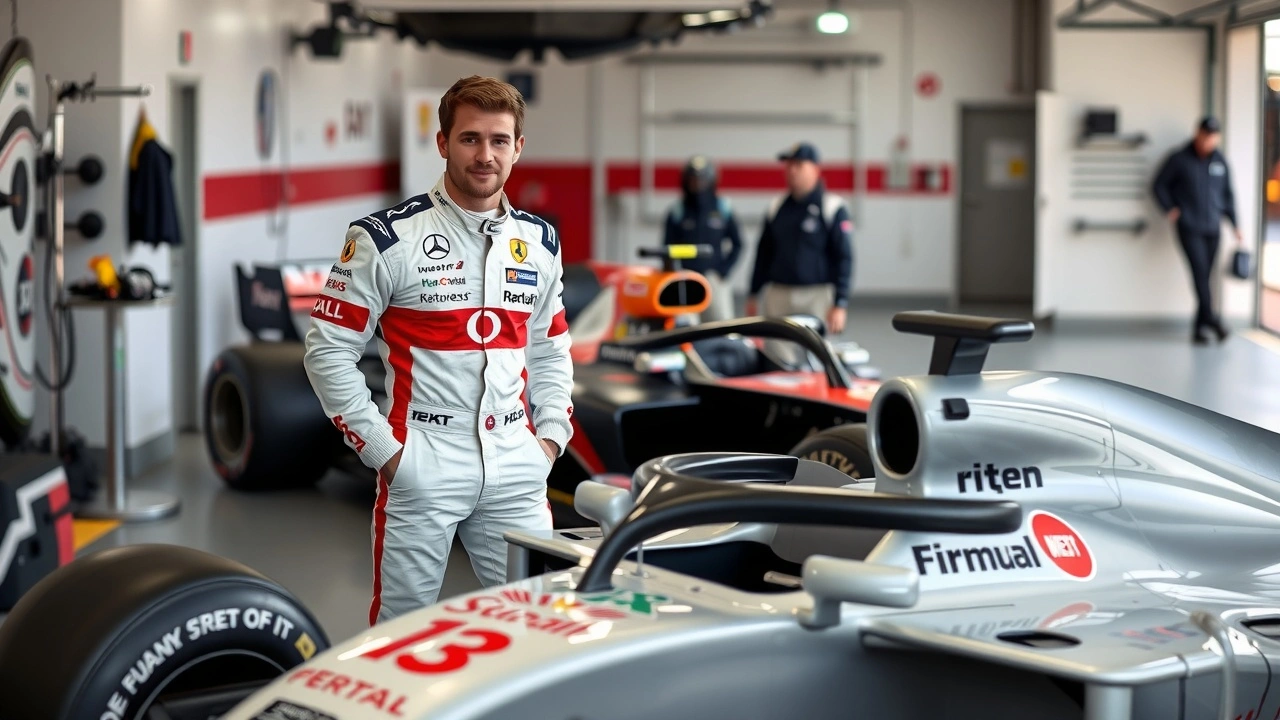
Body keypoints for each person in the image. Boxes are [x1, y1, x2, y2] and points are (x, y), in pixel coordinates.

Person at [303, 75, 573, 625]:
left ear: (518, 148)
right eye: (470, 138)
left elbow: (550, 346)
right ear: (443, 142)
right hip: (423, 459)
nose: (485, 155)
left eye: (500, 141)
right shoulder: (383, 238)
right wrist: (385, 451)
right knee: (399, 635)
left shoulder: (541, 242)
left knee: (538, 626)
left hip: (517, 463)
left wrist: (549, 439)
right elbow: (327, 351)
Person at [746, 142, 855, 337]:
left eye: (799, 166)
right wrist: (753, 293)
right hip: (778, 295)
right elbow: (763, 254)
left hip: (816, 296)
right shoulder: (776, 207)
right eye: (788, 166)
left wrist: (840, 303)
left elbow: (844, 258)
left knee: (815, 357)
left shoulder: (832, 208)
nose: (792, 171)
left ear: (815, 169)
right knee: (777, 355)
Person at [1152, 116, 1243, 344]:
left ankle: (1199, 329)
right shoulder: (1179, 158)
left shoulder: (1220, 161)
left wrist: (1235, 225)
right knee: (1200, 273)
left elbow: (1228, 195)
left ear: (1217, 137)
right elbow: (1158, 184)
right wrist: (1170, 208)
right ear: (1197, 133)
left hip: (1213, 228)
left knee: (1206, 276)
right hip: (1189, 227)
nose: (1208, 140)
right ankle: (1212, 319)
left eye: (1213, 136)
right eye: (1205, 135)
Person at [662, 155, 743, 321]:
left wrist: (723, 271)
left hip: (714, 279)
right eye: (693, 180)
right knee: (685, 327)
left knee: (723, 326)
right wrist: (672, 275)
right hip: (685, 278)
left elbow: (738, 244)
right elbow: (666, 249)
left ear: (711, 181)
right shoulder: (678, 211)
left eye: (701, 180)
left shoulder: (722, 208)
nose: (697, 185)